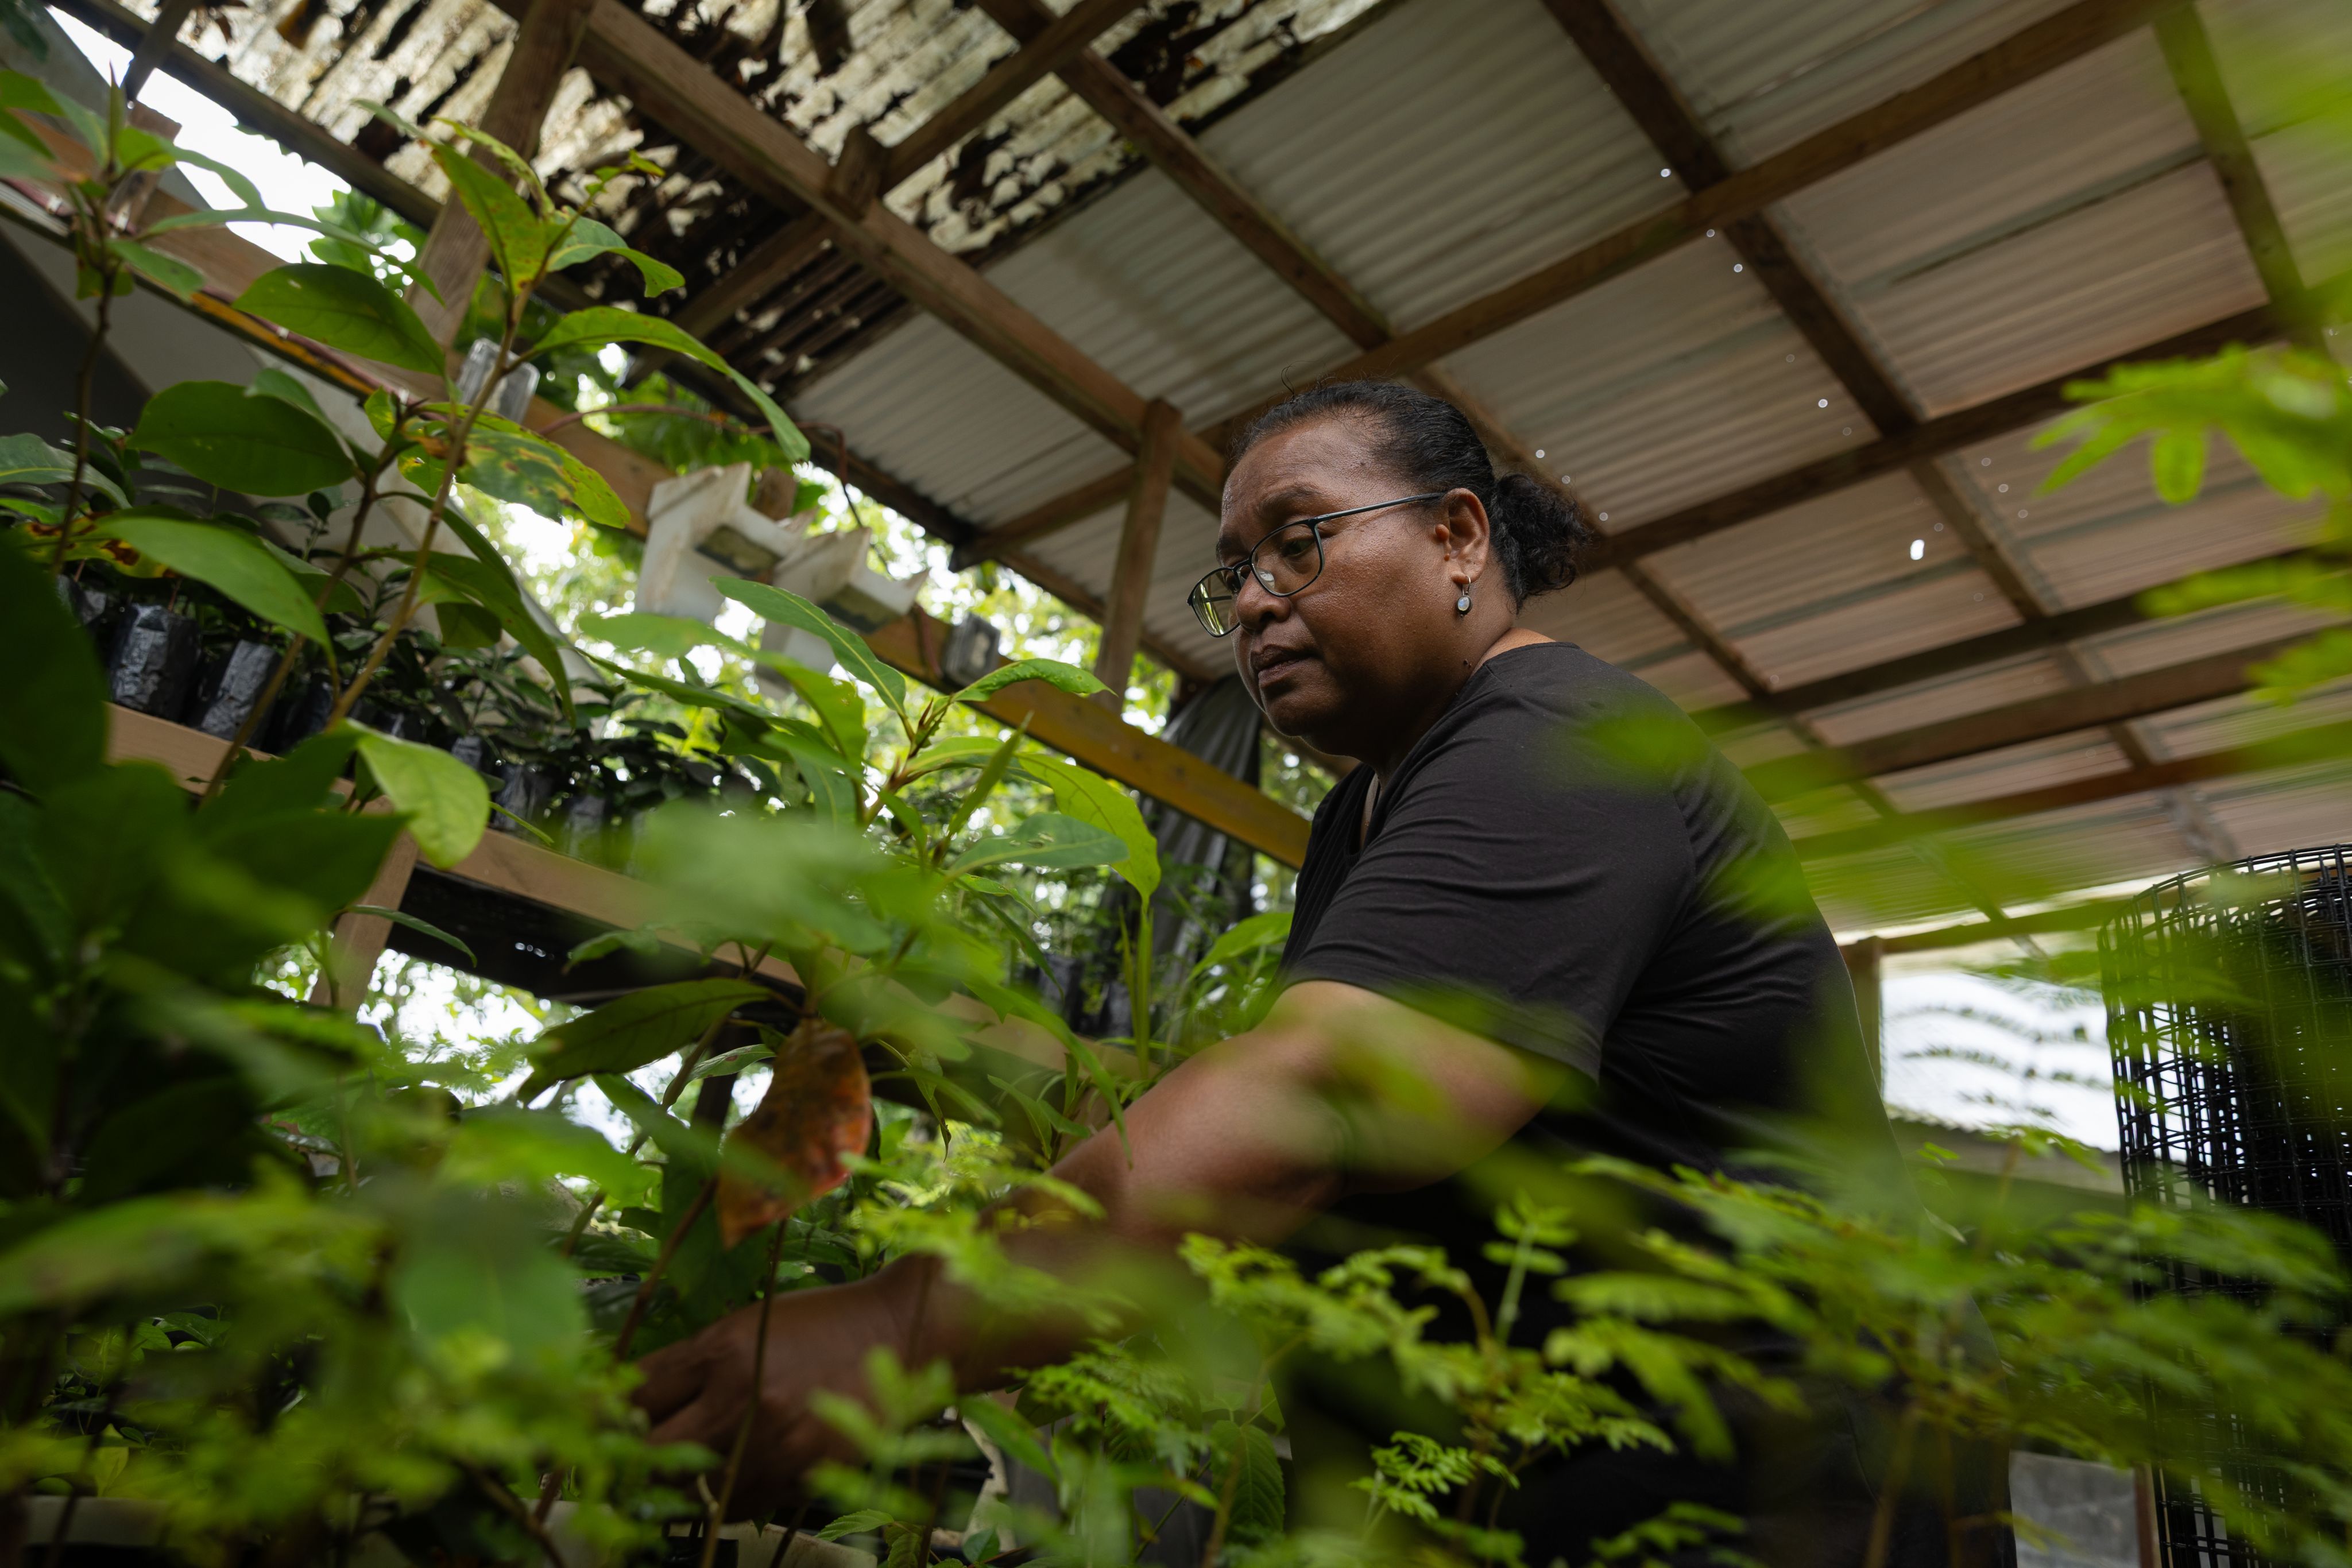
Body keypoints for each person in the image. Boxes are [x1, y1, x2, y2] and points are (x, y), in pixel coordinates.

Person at [636, 382, 1996, 1566]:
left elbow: (1325, 1101)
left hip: (1746, 1498)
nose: (1250, 600)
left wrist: (896, 1326)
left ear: (1457, 535)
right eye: (1226, 575)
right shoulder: (1364, 817)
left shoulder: (1560, 743)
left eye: (1297, 540)